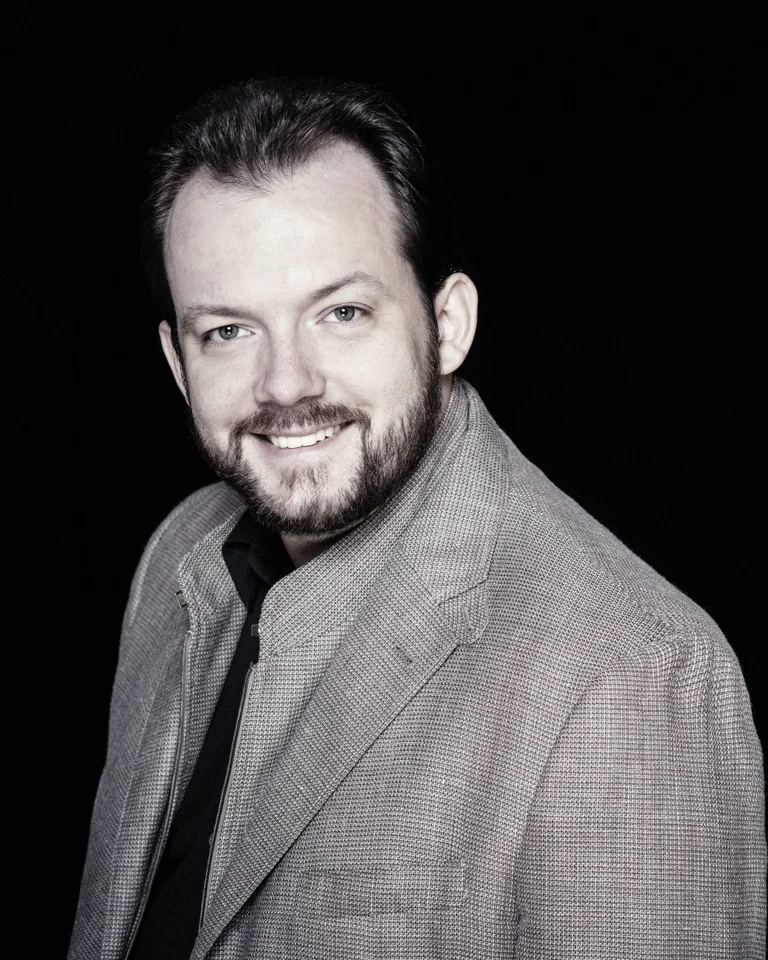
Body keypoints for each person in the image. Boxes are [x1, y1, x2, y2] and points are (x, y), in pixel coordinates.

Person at [69, 77, 765, 960]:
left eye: (343, 312)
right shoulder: (176, 554)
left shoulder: (628, 675)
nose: (287, 385)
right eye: (229, 332)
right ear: (177, 359)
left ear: (449, 322)